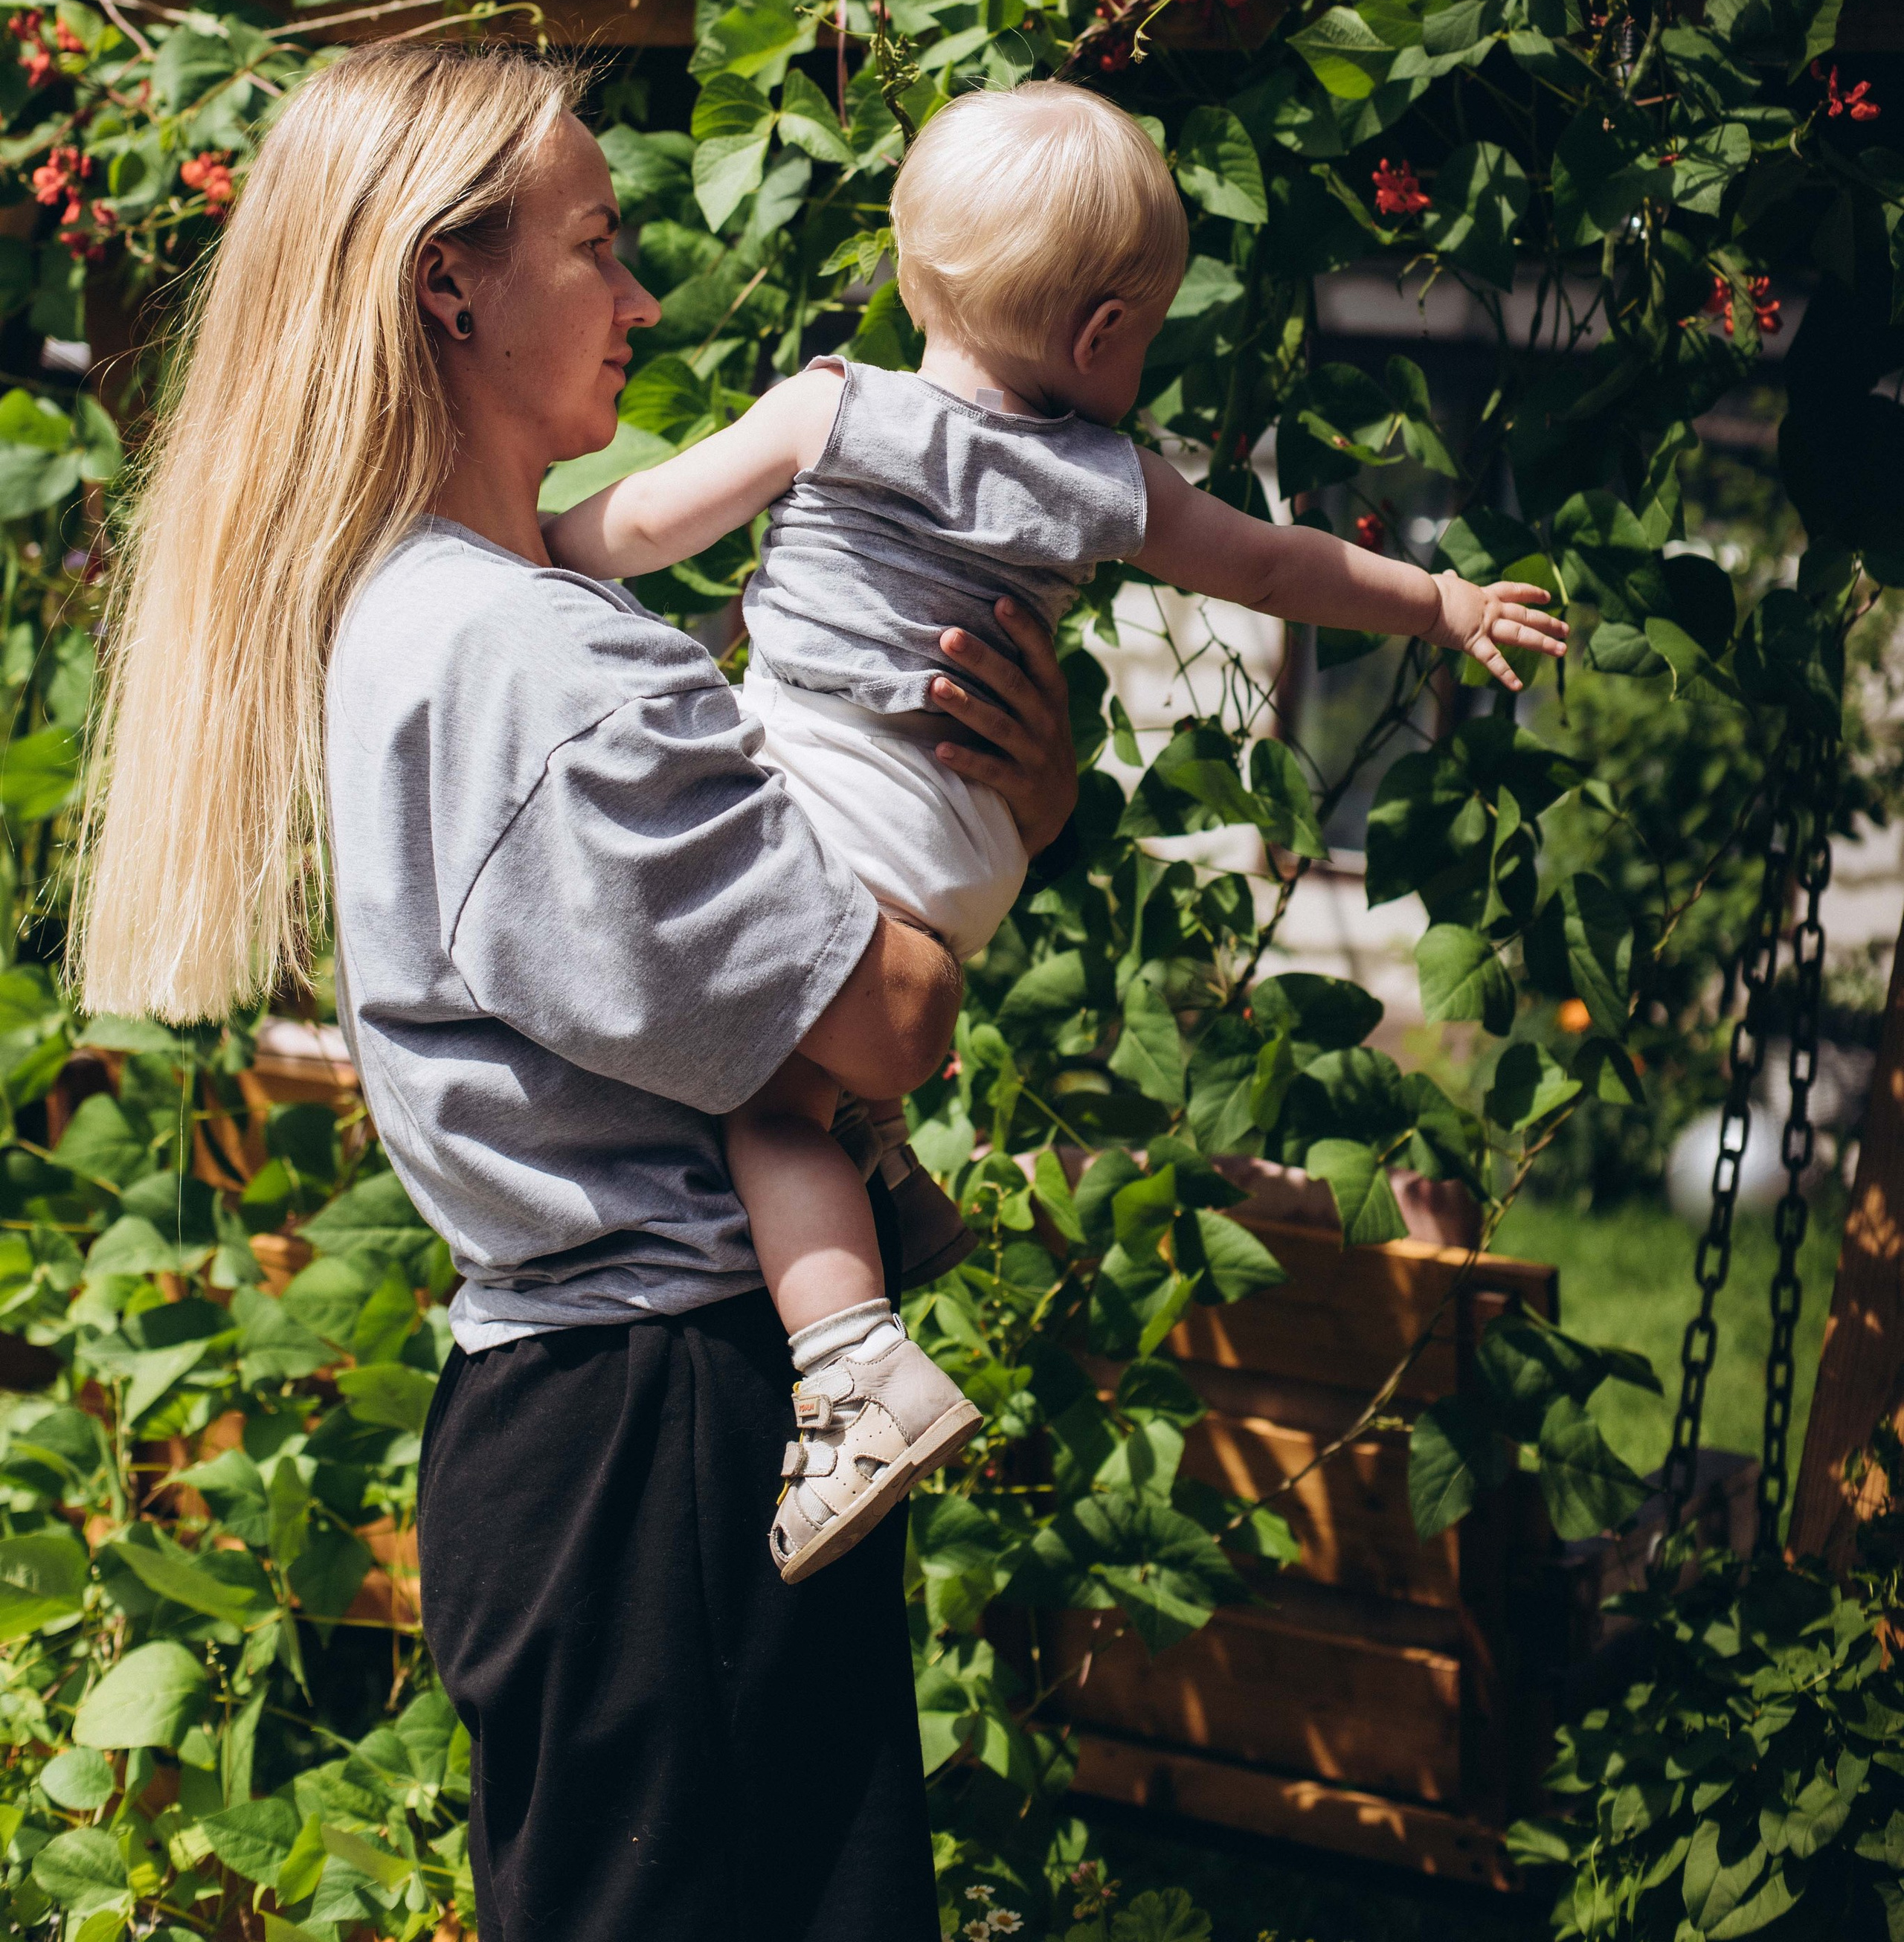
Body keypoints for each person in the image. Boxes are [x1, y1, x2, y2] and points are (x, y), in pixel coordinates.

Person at [74, 42, 1079, 1941]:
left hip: (601, 1432)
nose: (640, 298)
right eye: (597, 246)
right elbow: (884, 1021)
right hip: (663, 1447)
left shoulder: (451, 617)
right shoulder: (524, 660)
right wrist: (1006, 819)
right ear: (447, 282)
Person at [549, 80, 1569, 1579]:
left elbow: (640, 528)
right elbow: (1280, 569)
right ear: (1102, 337)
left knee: (762, 1107)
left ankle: (850, 1362)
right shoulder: (1108, 482)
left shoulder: (837, 406)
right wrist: (1438, 600)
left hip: (826, 812)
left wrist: (523, 547)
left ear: (911, 276)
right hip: (963, 844)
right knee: (819, 1076)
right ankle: (891, 1175)